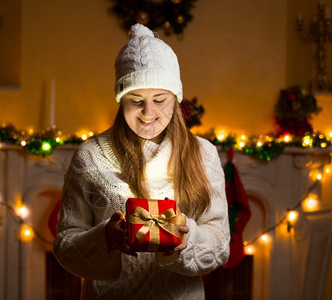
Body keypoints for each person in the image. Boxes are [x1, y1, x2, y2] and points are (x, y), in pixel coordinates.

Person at [53, 23, 230, 300]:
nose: (149, 113)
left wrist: (188, 240)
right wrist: (105, 239)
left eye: (160, 99)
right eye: (136, 100)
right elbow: (65, 246)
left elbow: (220, 243)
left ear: (176, 99)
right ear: (121, 100)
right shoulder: (90, 156)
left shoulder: (202, 154)